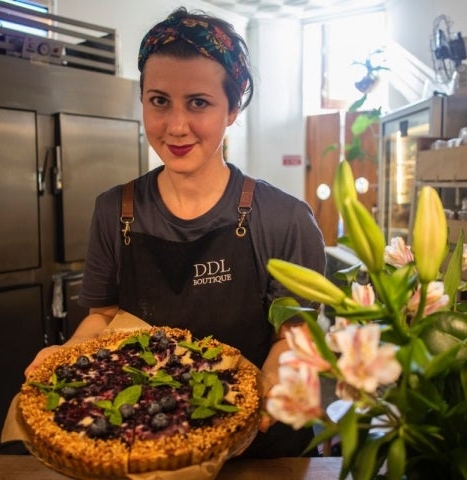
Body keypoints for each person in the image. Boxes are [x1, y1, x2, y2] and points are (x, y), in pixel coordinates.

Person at [24, 7, 325, 458]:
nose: (176, 126)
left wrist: (281, 370)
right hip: (145, 446)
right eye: (159, 101)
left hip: (260, 449)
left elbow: (295, 334)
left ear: (233, 109)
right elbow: (102, 317)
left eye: (198, 102)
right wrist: (69, 355)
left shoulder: (284, 219)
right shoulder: (115, 210)